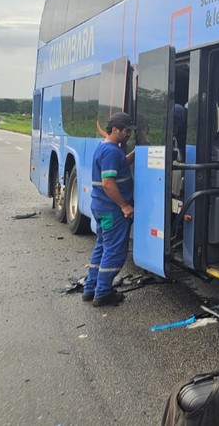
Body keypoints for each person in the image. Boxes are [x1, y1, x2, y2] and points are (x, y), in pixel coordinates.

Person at [82, 112, 136, 307]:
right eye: (126, 131)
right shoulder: (112, 152)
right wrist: (125, 206)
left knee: (102, 246)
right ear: (115, 130)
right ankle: (103, 293)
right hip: (112, 210)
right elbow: (107, 183)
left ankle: (90, 288)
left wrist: (136, 153)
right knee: (114, 250)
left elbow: (120, 165)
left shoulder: (105, 148)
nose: (128, 135)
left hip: (100, 207)